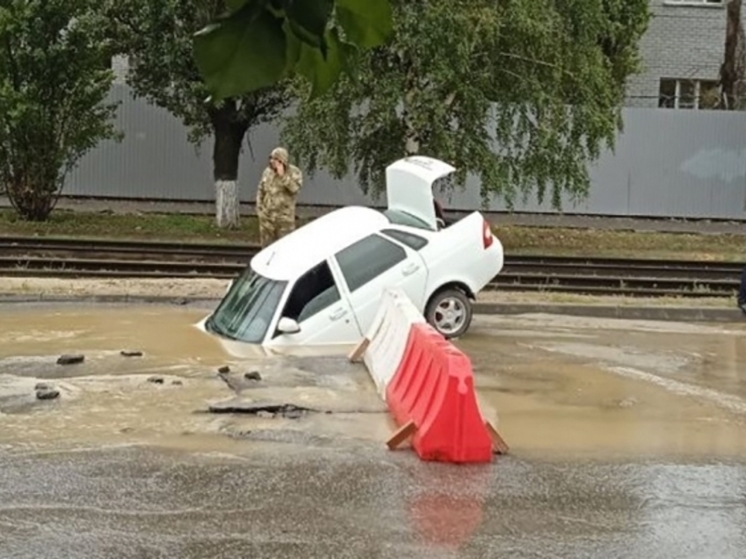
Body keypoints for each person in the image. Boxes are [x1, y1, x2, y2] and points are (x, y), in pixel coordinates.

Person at [256, 147, 303, 248]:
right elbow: (261, 190)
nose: (271, 161)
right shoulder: (267, 172)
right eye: (271, 158)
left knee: (284, 249)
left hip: (284, 220)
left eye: (275, 159)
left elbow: (295, 189)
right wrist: (260, 209)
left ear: (282, 160)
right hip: (267, 218)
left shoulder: (294, 172)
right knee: (266, 250)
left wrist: (283, 176)